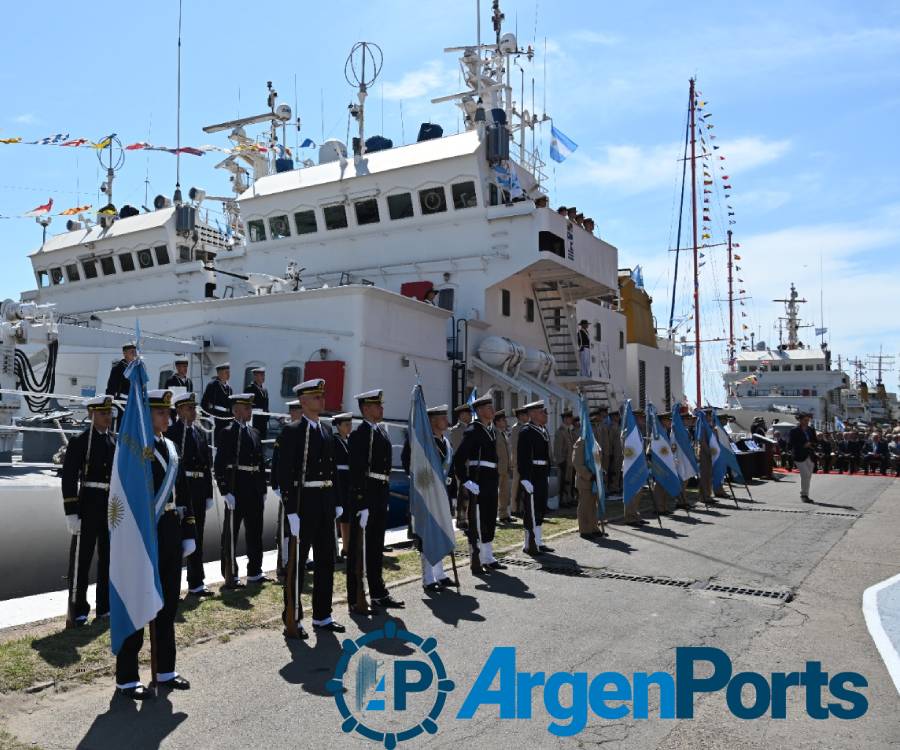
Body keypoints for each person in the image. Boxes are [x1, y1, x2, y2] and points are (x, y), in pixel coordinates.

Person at [115, 389, 195, 699]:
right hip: (143, 534)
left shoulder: (172, 448)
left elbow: (184, 493)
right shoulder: (135, 449)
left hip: (170, 531)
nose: (168, 417)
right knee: (137, 601)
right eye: (160, 412)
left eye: (168, 412)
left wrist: (189, 532)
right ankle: (126, 677)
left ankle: (165, 669)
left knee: (168, 602)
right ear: (146, 416)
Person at [279, 379, 345, 638]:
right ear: (303, 402)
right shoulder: (293, 431)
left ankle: (323, 615)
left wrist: (338, 501)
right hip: (304, 502)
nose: (321, 400)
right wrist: (291, 510)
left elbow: (333, 470)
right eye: (315, 397)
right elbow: (285, 472)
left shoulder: (327, 430)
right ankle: (292, 617)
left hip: (326, 502)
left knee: (326, 561)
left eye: (321, 396)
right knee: (297, 565)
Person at [61, 395, 116, 626]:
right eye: (103, 413)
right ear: (92, 415)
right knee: (81, 561)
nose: (108, 417)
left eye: (110, 413)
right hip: (88, 504)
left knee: (107, 560)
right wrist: (71, 511)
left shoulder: (114, 442)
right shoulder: (80, 441)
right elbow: (69, 478)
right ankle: (78, 610)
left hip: (110, 507)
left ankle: (104, 607)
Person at [348, 389, 404, 612]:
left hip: (379, 494)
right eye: (377, 406)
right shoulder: (360, 434)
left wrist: (384, 495)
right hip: (366, 497)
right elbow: (357, 470)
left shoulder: (380, 431)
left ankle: (378, 592)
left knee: (375, 547)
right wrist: (361, 502)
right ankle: (355, 598)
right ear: (365, 409)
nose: (382, 409)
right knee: (358, 550)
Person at [400, 404, 457, 591]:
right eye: (442, 418)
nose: (446, 421)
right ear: (432, 421)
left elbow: (451, 469)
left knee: (443, 532)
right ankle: (428, 577)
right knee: (427, 535)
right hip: (427, 496)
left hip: (443, 495)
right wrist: (424, 483)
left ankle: (440, 574)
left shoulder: (446, 442)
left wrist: (454, 495)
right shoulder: (422, 442)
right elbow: (407, 462)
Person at [214, 393, 268, 586]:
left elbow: (260, 463)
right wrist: (225, 491)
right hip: (237, 488)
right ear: (235, 410)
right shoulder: (228, 432)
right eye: (246, 408)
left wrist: (262, 490)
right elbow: (219, 464)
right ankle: (230, 573)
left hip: (253, 488)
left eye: (250, 407)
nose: (249, 411)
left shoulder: (255, 432)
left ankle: (255, 571)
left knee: (255, 532)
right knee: (231, 533)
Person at [167, 392, 214, 597]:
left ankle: (196, 582)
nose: (193, 412)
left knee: (197, 536)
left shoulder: (200, 433)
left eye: (194, 408)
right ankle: (172, 584)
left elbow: (207, 465)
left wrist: (209, 493)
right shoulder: (172, 432)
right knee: (177, 538)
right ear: (178, 410)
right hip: (180, 490)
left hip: (198, 488)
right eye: (189, 408)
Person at [453, 393, 506, 573]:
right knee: (477, 519)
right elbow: (459, 458)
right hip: (478, 478)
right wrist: (466, 481)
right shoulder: (473, 430)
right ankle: (476, 557)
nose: (493, 410)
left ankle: (488, 556)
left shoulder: (490, 429)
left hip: (491, 478)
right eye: (489, 407)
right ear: (480, 410)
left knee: (490, 516)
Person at [517, 400, 555, 554]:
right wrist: (525, 477)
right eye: (542, 412)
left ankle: (538, 541)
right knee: (530, 509)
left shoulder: (543, 430)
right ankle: (529, 543)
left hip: (542, 472)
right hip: (531, 473)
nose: (545, 415)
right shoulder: (526, 431)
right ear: (532, 414)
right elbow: (522, 456)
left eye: (545, 412)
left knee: (540, 508)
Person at [272, 400, 303, 580]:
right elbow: (277, 461)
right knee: (285, 528)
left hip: (301, 487)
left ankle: (299, 560)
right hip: (287, 487)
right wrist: (276, 484)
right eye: (298, 411)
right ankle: (283, 564)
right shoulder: (286, 433)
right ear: (293, 413)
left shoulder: (303, 432)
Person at [572, 425, 604, 539]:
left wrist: (600, 471)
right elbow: (577, 463)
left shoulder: (593, 442)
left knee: (593, 505)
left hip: (595, 480)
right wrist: (589, 476)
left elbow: (597, 459)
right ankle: (585, 530)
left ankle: (593, 527)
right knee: (585, 505)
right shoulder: (581, 442)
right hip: (585, 480)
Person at [332, 412, 354, 561]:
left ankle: (347, 548)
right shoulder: (334, 440)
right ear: (338, 426)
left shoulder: (349, 441)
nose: (349, 427)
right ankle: (335, 550)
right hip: (338, 480)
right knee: (336, 517)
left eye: (350, 424)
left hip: (348, 482)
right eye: (346, 424)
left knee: (347, 517)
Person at [448, 403, 473, 529]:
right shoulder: (457, 430)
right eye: (468, 414)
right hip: (463, 466)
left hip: (472, 466)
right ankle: (461, 519)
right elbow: (458, 450)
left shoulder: (470, 428)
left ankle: (469, 518)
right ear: (462, 415)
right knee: (463, 494)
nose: (470, 416)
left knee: (470, 494)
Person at [105, 342, 137, 429]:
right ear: (125, 353)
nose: (134, 354)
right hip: (120, 403)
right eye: (132, 352)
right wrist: (109, 405)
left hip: (133, 403)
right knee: (118, 427)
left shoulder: (137, 368)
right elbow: (111, 387)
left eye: (135, 352)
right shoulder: (118, 368)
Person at [789, 412, 817, 503]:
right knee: (805, 475)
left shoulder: (811, 429)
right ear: (800, 420)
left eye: (808, 420)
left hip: (810, 455)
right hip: (799, 455)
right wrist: (803, 445)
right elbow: (791, 443)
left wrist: (811, 444)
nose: (807, 422)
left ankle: (805, 494)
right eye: (805, 420)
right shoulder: (794, 430)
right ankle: (804, 495)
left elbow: (815, 441)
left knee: (808, 476)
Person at [201, 363, 234, 438]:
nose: (228, 374)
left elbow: (231, 404)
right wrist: (208, 415)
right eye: (226, 372)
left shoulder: (229, 388)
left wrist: (232, 417)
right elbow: (204, 402)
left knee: (226, 436)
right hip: (216, 416)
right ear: (219, 373)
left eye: (229, 372)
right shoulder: (213, 385)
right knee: (216, 437)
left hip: (227, 416)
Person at [508, 406, 529, 518]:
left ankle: (521, 507)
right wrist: (517, 462)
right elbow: (515, 446)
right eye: (525, 414)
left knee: (523, 485)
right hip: (518, 461)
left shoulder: (525, 427)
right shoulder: (516, 428)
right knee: (516, 485)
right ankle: (514, 508)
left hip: (525, 460)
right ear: (520, 416)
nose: (527, 416)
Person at [554, 410, 576, 507]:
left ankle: (569, 498)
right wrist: (560, 461)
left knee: (569, 481)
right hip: (564, 461)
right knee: (563, 482)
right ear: (565, 419)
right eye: (570, 418)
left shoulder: (569, 431)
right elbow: (558, 448)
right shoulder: (560, 432)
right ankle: (562, 500)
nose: (571, 420)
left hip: (570, 461)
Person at [494, 410, 513, 523]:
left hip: (505, 468)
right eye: (503, 420)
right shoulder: (495, 434)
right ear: (497, 422)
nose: (505, 422)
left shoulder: (503, 433)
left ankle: (504, 514)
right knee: (495, 493)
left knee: (504, 493)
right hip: (497, 468)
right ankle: (494, 515)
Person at [246, 366, 270, 440]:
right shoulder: (250, 388)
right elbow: (247, 404)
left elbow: (266, 404)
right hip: (255, 418)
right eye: (261, 375)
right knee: (254, 437)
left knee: (262, 438)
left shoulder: (264, 390)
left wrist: (267, 415)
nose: (263, 377)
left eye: (264, 375)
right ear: (255, 376)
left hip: (263, 418)